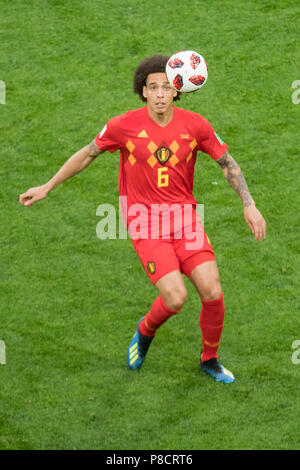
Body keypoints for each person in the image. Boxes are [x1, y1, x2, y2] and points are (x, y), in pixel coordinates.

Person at [19, 55, 266, 384]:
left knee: (212, 291)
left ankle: (210, 360)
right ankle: (145, 330)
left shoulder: (196, 125)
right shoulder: (124, 126)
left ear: (177, 90)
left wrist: (248, 204)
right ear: (143, 92)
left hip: (184, 219)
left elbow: (226, 162)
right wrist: (48, 185)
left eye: (166, 87)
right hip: (145, 222)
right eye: (153, 88)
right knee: (176, 298)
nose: (161, 94)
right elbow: (87, 153)